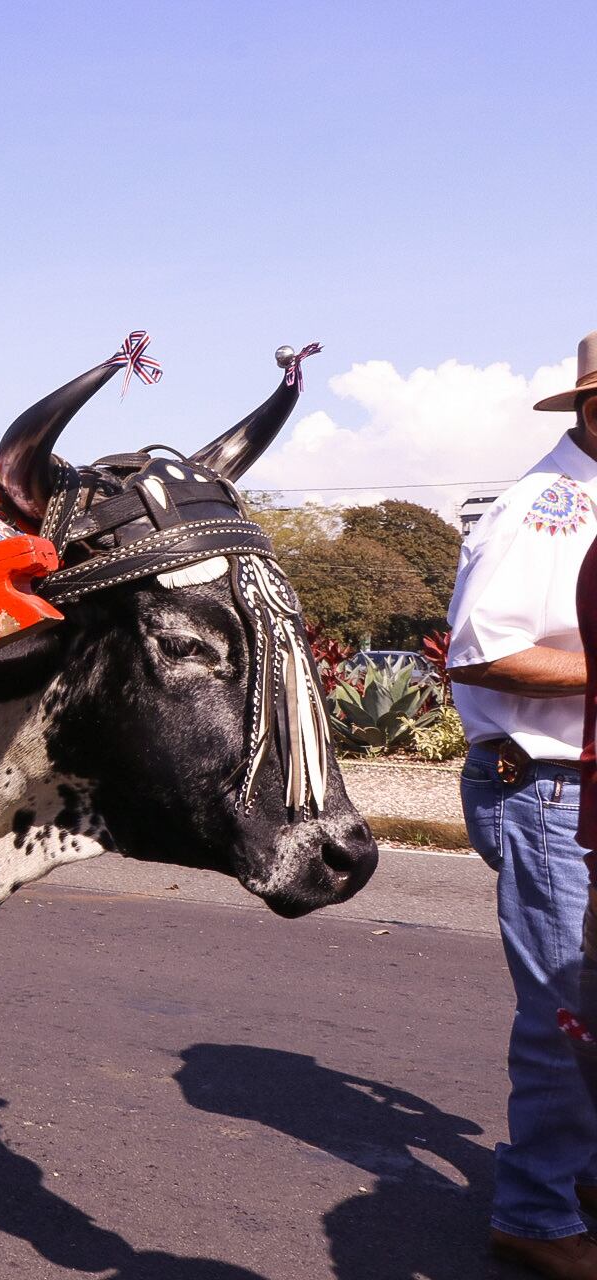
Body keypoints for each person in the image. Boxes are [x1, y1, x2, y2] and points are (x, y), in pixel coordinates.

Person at [451, 328, 597, 1278]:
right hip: (546, 786)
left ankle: (576, 1177)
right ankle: (536, 1216)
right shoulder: (540, 510)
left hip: (580, 784)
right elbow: (483, 649)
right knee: (565, 1008)